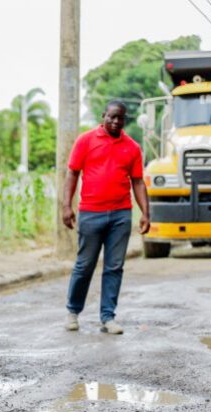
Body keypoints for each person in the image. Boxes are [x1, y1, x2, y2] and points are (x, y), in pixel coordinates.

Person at [62, 100, 150, 334]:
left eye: (120, 118)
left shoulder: (132, 147)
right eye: (112, 117)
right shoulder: (86, 140)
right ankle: (73, 312)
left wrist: (145, 213)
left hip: (121, 215)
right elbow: (72, 173)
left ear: (124, 120)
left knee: (114, 267)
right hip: (91, 213)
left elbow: (138, 182)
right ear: (103, 116)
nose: (116, 121)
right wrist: (66, 206)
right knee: (85, 265)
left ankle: (107, 317)